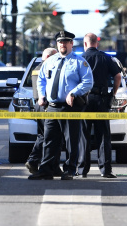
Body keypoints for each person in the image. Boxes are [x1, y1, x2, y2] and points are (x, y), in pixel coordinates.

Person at [29, 30, 93, 180]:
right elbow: (41, 79)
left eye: (65, 42)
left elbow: (88, 82)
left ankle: (70, 170)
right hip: (51, 106)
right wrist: (42, 95)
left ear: (71, 43)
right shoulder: (50, 61)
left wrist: (74, 93)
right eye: (60, 42)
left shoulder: (79, 62)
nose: (62, 44)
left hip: (70, 107)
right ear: (56, 44)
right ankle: (46, 169)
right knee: (49, 139)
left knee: (71, 140)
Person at [77, 33, 121, 178]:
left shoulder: (79, 59)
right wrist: (113, 93)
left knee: (83, 134)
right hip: (101, 99)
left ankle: (82, 169)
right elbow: (118, 76)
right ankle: (106, 170)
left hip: (84, 100)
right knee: (103, 135)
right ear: (97, 43)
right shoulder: (105, 57)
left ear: (85, 44)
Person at [25, 47, 59, 175]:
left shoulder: (37, 68)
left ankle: (52, 166)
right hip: (45, 105)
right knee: (50, 137)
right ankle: (34, 161)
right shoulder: (46, 68)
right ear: (50, 57)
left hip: (38, 105)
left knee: (43, 136)